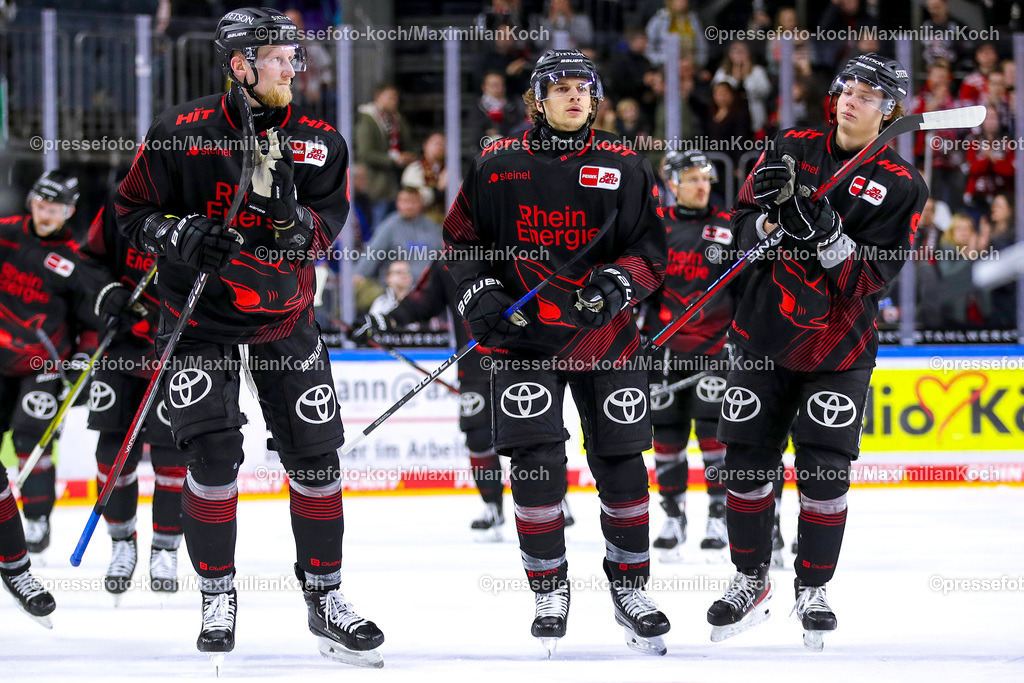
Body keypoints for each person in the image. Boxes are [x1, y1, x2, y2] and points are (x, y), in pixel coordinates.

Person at [114, 7, 384, 668]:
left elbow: (329, 220)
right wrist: (173, 234)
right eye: (281, 56)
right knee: (211, 457)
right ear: (240, 64)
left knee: (317, 459)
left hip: (285, 314)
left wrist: (300, 231)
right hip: (197, 315)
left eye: (296, 55)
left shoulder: (320, 138)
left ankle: (326, 597)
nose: (296, 66)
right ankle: (217, 593)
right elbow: (130, 211)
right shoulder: (179, 132)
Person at [442, 49, 670, 656]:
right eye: (560, 87)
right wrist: (478, 293)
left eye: (583, 88)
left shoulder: (626, 164)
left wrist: (618, 282)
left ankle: (632, 590)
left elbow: (653, 254)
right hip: (523, 341)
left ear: (596, 99)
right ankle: (549, 590)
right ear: (536, 100)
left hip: (606, 338)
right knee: (536, 470)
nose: (574, 97)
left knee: (623, 467)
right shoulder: (498, 163)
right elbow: (459, 242)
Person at [707, 53, 927, 651]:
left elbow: (868, 281)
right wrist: (764, 223)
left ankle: (813, 588)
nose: (852, 100)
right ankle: (750, 580)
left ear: (890, 111)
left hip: (839, 346)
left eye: (868, 94)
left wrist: (824, 232)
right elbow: (739, 222)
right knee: (747, 466)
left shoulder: (905, 184)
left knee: (825, 475)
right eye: (847, 89)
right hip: (760, 339)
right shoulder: (793, 144)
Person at [349, 259, 576, 542]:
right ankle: (491, 505)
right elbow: (423, 301)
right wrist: (384, 320)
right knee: (477, 432)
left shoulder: (519, 245)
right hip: (475, 363)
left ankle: (556, 498)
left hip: (526, 359)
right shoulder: (451, 260)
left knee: (538, 432)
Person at [0, 169, 125, 628]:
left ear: (70, 212)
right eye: (39, 202)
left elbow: (95, 320)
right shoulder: (6, 234)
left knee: (32, 440)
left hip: (42, 366)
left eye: (54, 206)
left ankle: (35, 520)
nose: (44, 212)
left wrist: (83, 358)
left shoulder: (76, 260)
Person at [81, 187, 186, 601]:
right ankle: (121, 543)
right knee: (112, 452)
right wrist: (109, 295)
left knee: (171, 454)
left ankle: (165, 549)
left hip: (177, 347)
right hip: (122, 344)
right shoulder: (121, 201)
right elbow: (89, 260)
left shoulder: (203, 200)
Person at [643, 150, 736, 562]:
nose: (702, 186)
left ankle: (718, 516)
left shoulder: (729, 227)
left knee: (714, 435)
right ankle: (673, 516)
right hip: (664, 351)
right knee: (666, 436)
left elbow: (748, 290)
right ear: (672, 184)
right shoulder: (655, 228)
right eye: (693, 179)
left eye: (706, 179)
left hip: (714, 351)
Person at [353, 186, 443, 285]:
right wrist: (359, 275)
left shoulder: (433, 228)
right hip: (396, 288)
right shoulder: (389, 226)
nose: (408, 206)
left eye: (413, 201)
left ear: (421, 204)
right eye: (404, 201)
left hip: (427, 287)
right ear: (397, 203)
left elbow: (443, 256)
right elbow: (372, 253)